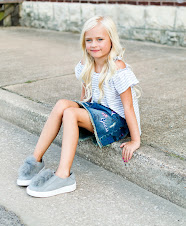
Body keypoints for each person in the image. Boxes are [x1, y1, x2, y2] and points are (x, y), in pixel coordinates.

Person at [17, 15, 141, 198]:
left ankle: (63, 175)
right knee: (63, 105)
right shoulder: (86, 64)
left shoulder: (118, 67)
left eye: (100, 39)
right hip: (99, 114)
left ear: (111, 41)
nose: (94, 45)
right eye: (89, 40)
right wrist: (77, 112)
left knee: (70, 114)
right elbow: (85, 99)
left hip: (117, 122)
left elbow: (128, 108)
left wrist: (135, 140)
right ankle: (35, 160)